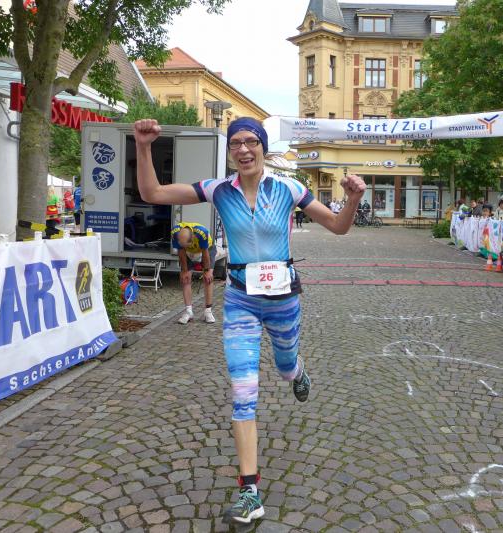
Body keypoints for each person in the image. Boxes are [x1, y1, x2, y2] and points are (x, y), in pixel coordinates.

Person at [133, 117, 366, 525]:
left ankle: (296, 372)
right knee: (243, 392)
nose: (243, 149)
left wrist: (352, 200)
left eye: (251, 141)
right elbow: (153, 193)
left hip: (283, 300)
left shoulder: (289, 188)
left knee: (284, 364)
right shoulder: (218, 189)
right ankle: (249, 491)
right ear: (230, 152)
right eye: (235, 143)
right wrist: (143, 146)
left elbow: (338, 227)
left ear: (262, 146)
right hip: (241, 300)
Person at [171, 222, 216, 324]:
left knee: (208, 278)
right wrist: (184, 271)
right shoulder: (175, 233)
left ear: (192, 239)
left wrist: (206, 271)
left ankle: (208, 311)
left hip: (206, 249)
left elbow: (205, 254)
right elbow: (181, 252)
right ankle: (188, 311)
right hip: (187, 252)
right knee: (185, 278)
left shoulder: (202, 233)